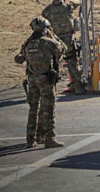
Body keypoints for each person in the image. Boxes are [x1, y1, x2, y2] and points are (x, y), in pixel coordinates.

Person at [15, 16, 66, 148]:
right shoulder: (47, 42)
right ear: (44, 29)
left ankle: (31, 139)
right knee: (48, 109)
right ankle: (49, 138)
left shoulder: (27, 44)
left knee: (33, 109)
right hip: (45, 79)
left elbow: (20, 58)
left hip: (32, 79)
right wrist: (52, 36)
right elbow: (62, 49)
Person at [41, 0, 85, 95]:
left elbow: (43, 22)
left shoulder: (47, 10)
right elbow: (79, 0)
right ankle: (77, 86)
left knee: (53, 63)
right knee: (72, 61)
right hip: (68, 38)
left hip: (54, 39)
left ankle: (52, 88)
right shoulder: (68, 7)